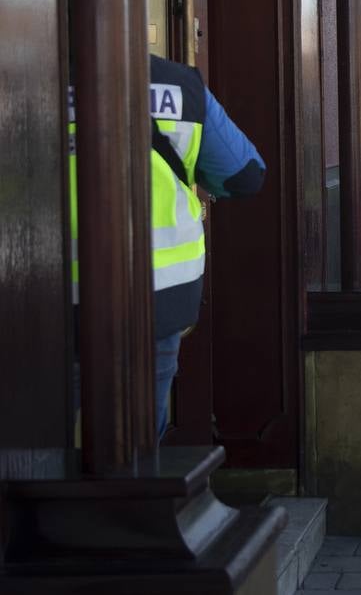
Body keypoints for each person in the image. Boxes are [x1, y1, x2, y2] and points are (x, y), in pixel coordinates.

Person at [72, 55, 266, 439]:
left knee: (30, 447)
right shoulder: (182, 86)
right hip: (158, 295)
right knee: (138, 440)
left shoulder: (23, 69)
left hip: (42, 300)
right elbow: (245, 176)